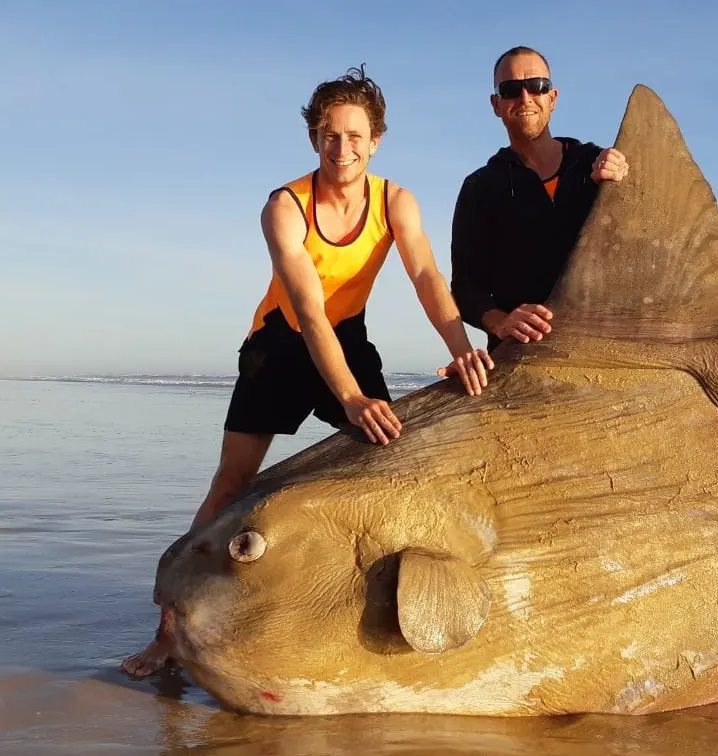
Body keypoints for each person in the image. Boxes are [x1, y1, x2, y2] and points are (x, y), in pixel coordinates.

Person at [121, 66, 493, 678]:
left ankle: (355, 610)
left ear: (375, 140)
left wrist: (461, 346)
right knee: (232, 482)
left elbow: (426, 278)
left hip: (347, 336)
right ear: (314, 139)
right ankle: (169, 629)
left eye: (353, 136)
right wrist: (348, 396)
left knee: (386, 457)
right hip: (280, 343)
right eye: (328, 135)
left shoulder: (395, 201)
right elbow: (309, 311)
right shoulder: (285, 207)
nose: (340, 149)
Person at [450, 46, 630, 351]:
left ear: (553, 97)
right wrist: (501, 321)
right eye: (510, 90)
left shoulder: (595, 164)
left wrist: (624, 182)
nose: (525, 98)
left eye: (537, 86)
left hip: (602, 349)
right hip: (523, 356)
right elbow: (466, 288)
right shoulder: (480, 187)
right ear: (496, 104)